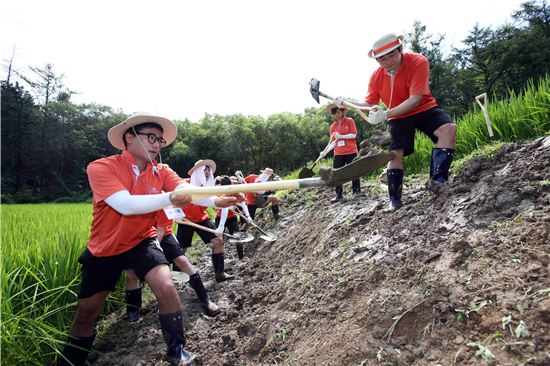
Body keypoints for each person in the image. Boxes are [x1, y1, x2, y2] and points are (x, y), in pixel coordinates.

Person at [58, 113, 239, 366]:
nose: (156, 144)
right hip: (105, 249)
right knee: (87, 312)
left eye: (160, 141)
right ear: (129, 138)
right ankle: (70, 361)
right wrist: (171, 198)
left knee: (166, 286)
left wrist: (214, 200)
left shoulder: (161, 170)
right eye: (151, 138)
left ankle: (177, 350)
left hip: (141, 241)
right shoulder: (101, 167)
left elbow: (184, 190)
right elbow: (126, 205)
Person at [336, 33, 457, 211]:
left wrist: (385, 114)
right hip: (397, 118)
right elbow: (369, 103)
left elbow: (415, 99)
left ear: (400, 50)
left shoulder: (418, 61)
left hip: (423, 108)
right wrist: (347, 102)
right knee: (395, 153)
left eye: (392, 55)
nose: (388, 62)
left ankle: (438, 182)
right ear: (377, 61)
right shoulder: (376, 77)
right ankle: (394, 199)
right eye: (382, 59)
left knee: (448, 129)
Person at [124, 209, 220, 321]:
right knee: (131, 275)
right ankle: (133, 311)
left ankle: (205, 299)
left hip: (163, 234)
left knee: (182, 261)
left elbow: (161, 228)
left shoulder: (163, 199)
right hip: (137, 239)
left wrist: (155, 249)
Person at [176, 160, 235, 282]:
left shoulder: (210, 189)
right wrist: (176, 215)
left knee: (218, 241)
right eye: (205, 169)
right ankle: (175, 278)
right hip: (185, 220)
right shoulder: (184, 184)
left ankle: (220, 273)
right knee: (181, 250)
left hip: (201, 218)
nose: (207, 172)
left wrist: (221, 226)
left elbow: (221, 204)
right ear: (197, 171)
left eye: (209, 169)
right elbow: (171, 199)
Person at [325, 103, 364, 203]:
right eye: (335, 113)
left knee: (354, 172)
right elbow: (333, 142)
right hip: (338, 153)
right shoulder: (333, 126)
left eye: (338, 112)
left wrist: (341, 137)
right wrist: (324, 152)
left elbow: (353, 135)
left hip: (351, 151)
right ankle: (338, 194)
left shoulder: (349, 121)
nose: (337, 114)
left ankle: (356, 191)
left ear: (342, 112)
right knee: (337, 173)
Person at [214, 175, 251, 259]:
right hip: (220, 218)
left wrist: (248, 216)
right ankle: (220, 260)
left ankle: (241, 257)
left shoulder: (236, 192)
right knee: (218, 239)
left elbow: (243, 204)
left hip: (231, 218)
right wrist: (221, 226)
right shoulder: (218, 192)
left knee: (237, 238)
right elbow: (216, 207)